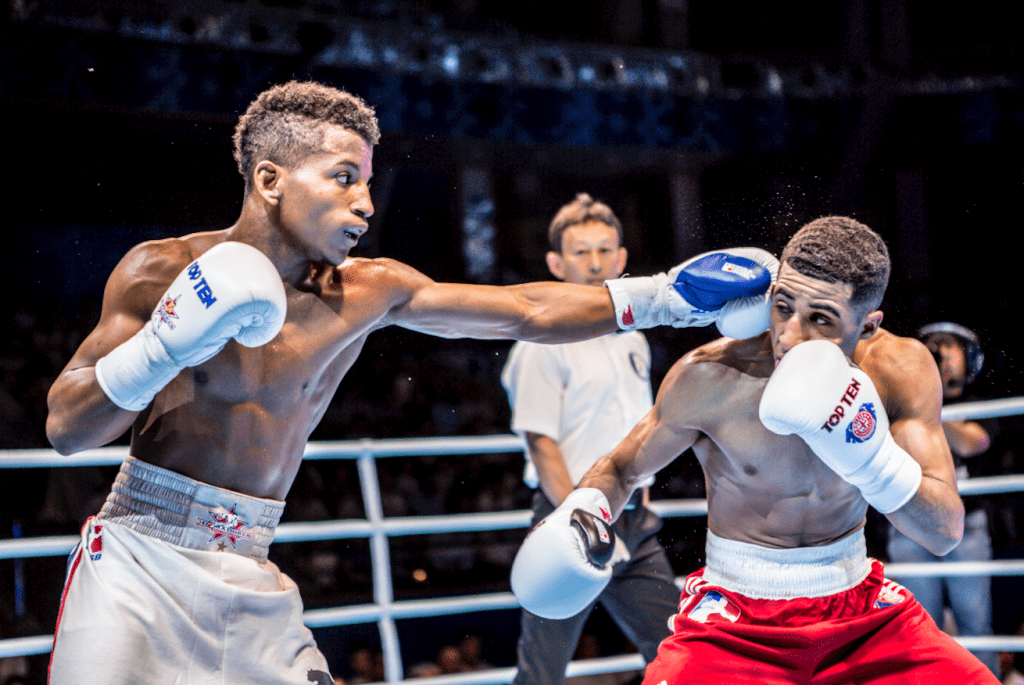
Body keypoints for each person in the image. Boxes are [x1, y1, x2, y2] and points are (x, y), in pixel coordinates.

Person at [43, 80, 776, 685]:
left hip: (248, 567)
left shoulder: (367, 289)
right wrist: (165, 341)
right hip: (138, 559)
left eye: (366, 180)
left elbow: (522, 309)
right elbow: (67, 428)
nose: (365, 202)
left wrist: (663, 298)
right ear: (269, 180)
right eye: (343, 178)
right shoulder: (158, 270)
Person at [512, 216, 1000, 683]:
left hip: (859, 611)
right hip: (735, 618)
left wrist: (872, 458)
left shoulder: (899, 368)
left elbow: (944, 531)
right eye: (783, 305)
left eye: (821, 319)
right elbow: (621, 468)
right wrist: (584, 511)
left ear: (868, 326)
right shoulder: (711, 375)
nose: (789, 335)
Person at [501, 194, 680, 685]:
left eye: (605, 250)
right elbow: (541, 443)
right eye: (581, 252)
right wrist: (579, 518)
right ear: (556, 264)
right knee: (542, 672)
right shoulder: (539, 341)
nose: (595, 262)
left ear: (622, 259)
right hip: (569, 520)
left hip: (636, 518)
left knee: (680, 651)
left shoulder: (635, 338)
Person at [886, 322, 999, 675]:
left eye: (948, 346)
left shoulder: (975, 404)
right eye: (932, 347)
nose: (941, 355)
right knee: (918, 626)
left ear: (968, 357)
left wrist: (925, 408)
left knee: (975, 621)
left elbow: (972, 442)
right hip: (909, 522)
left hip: (967, 525)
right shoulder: (898, 404)